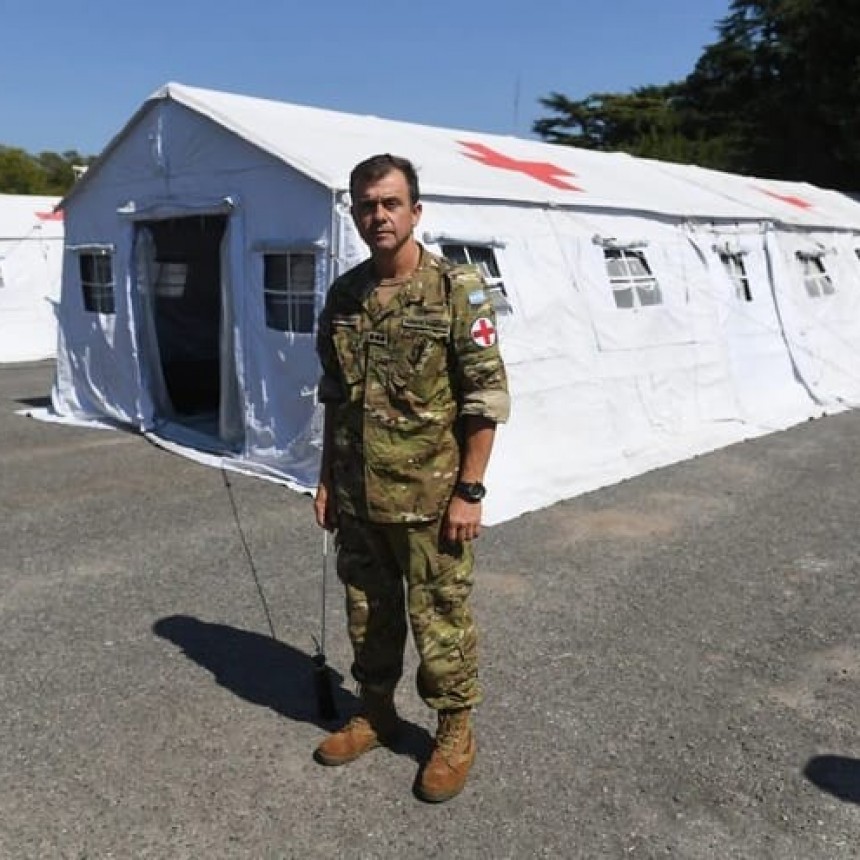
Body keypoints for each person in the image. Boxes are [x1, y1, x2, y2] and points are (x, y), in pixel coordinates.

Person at [312, 153, 510, 803]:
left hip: (431, 500)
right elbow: (335, 394)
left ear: (415, 211)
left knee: (440, 620)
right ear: (355, 212)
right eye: (367, 205)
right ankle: (376, 712)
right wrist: (324, 480)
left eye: (391, 203)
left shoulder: (458, 288)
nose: (379, 215)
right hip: (360, 494)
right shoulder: (344, 296)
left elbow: (485, 398)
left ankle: (455, 730)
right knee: (367, 615)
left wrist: (470, 491)